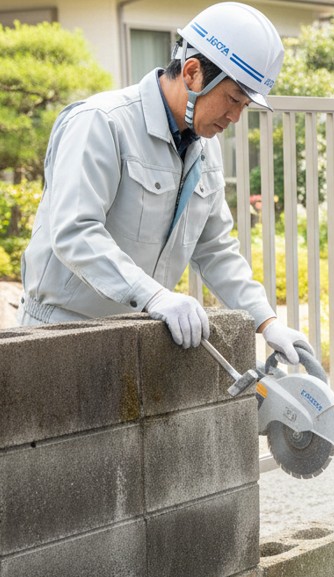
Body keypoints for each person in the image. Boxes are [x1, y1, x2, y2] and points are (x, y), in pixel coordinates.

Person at [17, 2, 311, 363]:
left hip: (137, 333)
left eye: (245, 105)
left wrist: (267, 323)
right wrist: (154, 295)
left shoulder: (204, 149)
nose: (235, 116)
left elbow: (215, 248)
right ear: (192, 72)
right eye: (234, 98)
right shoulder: (103, 123)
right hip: (62, 333)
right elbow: (75, 232)